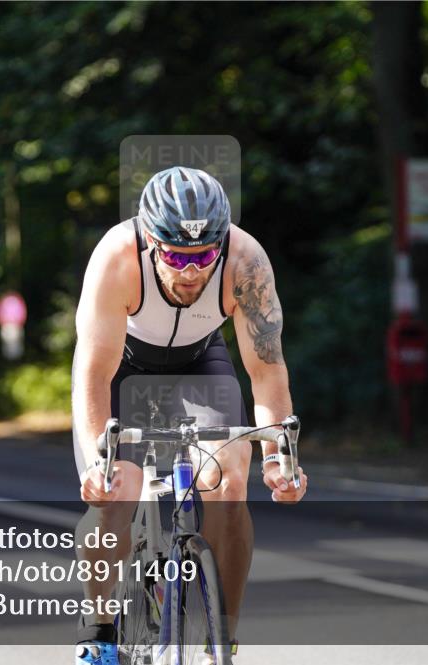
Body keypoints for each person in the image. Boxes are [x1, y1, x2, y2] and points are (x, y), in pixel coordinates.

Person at [72, 166, 308, 664]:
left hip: (200, 362)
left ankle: (222, 638)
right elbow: (92, 375)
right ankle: (98, 634)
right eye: (176, 255)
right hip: (124, 367)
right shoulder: (118, 257)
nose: (191, 270)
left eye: (203, 255)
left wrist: (277, 458)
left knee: (230, 484)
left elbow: (266, 373)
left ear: (221, 244)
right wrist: (99, 463)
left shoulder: (245, 262)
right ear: (152, 242)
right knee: (116, 492)